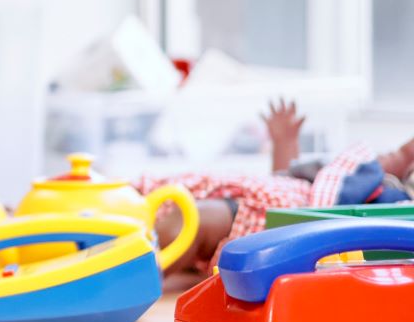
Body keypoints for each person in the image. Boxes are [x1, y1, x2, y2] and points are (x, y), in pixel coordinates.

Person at [150, 99, 414, 281]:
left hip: (270, 228)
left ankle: (134, 270)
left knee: (193, 221)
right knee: (180, 209)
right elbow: (287, 178)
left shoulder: (397, 208)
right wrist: (285, 142)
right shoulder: (373, 177)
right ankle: (136, 255)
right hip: (274, 207)